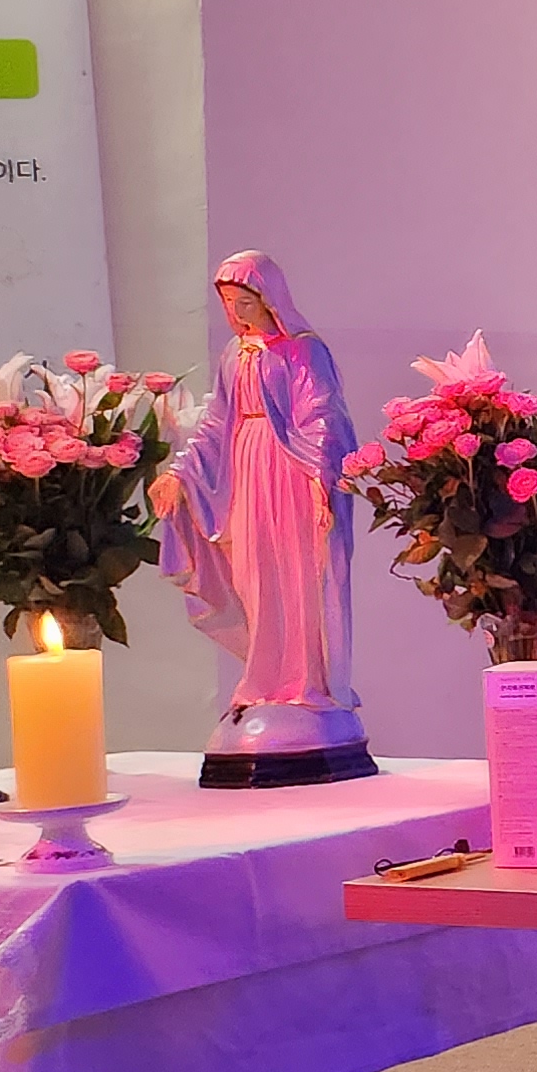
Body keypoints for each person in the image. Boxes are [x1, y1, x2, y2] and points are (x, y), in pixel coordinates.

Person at [152, 251, 374, 783]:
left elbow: (323, 415)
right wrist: (179, 473)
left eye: (245, 302)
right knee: (254, 576)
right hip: (247, 472)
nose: (236, 313)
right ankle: (264, 682)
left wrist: (321, 477)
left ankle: (306, 685)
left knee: (297, 576)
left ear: (270, 298)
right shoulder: (236, 354)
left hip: (292, 473)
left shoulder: (303, 351)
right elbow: (215, 422)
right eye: (229, 303)